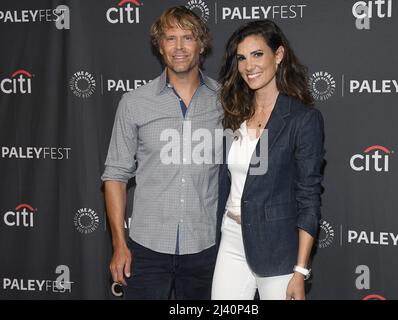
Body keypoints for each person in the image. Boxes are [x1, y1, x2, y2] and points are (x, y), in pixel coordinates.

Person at [101, 6, 222, 300]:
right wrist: (119, 244)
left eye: (188, 37)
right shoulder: (134, 103)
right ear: (160, 46)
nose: (179, 47)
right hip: (146, 249)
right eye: (170, 38)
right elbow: (115, 176)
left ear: (201, 45)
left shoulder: (225, 102)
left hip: (205, 249)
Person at [211, 20, 325, 300]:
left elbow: (309, 197)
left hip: (278, 249)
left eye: (257, 54)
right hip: (231, 238)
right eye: (241, 58)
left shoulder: (302, 119)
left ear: (279, 55)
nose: (249, 65)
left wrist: (300, 270)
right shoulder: (234, 113)